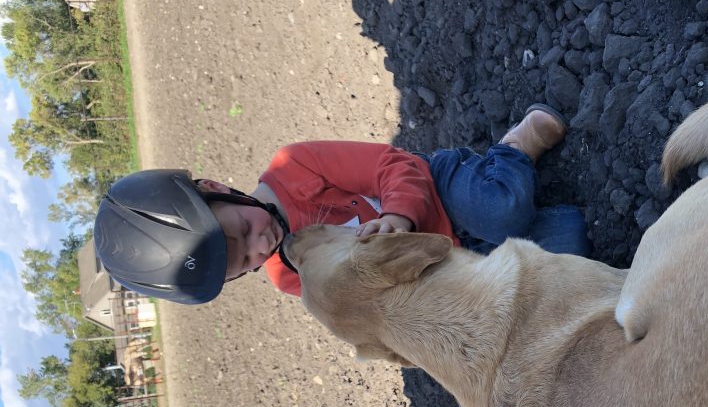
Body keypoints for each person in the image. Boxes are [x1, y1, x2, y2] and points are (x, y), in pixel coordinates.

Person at [93, 105, 589, 304]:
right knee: (567, 247)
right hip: (448, 260)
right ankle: (542, 223)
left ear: (213, 187)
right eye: (242, 260)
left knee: (500, 207)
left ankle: (514, 150)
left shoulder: (296, 167)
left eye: (239, 230)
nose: (258, 243)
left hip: (437, 194)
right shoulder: (291, 275)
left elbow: (393, 167)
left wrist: (397, 215)